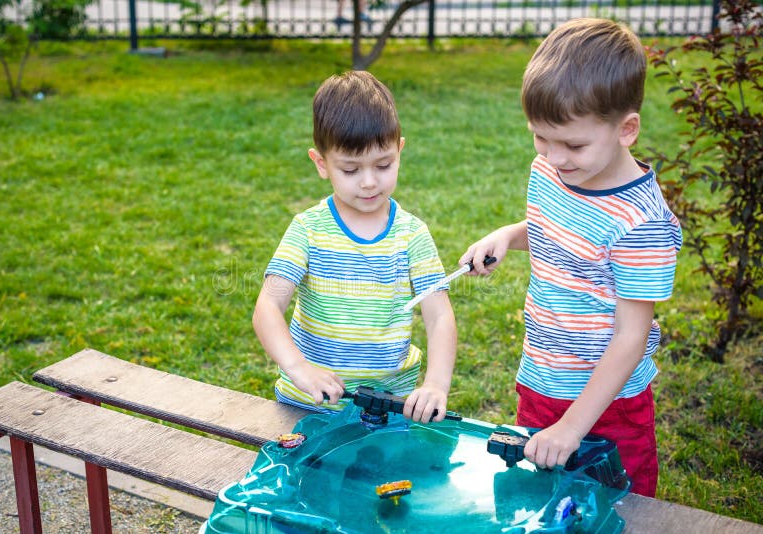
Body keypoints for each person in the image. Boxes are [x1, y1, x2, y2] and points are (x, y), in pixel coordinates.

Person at [460, 18, 682, 497]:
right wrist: (507, 235)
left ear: (626, 129)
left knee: (618, 505)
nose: (554, 156)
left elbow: (630, 337)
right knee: (536, 498)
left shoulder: (642, 224)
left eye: (573, 144)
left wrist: (572, 427)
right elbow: (553, 231)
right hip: (540, 375)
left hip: (610, 403)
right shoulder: (550, 169)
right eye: (540, 137)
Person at [253, 71, 457, 424]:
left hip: (388, 407)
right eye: (350, 170)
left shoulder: (412, 235)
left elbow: (439, 315)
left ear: (400, 151)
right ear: (322, 164)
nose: (368, 182)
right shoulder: (308, 230)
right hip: (308, 405)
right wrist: (298, 368)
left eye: (383, 165)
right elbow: (268, 306)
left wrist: (437, 384)